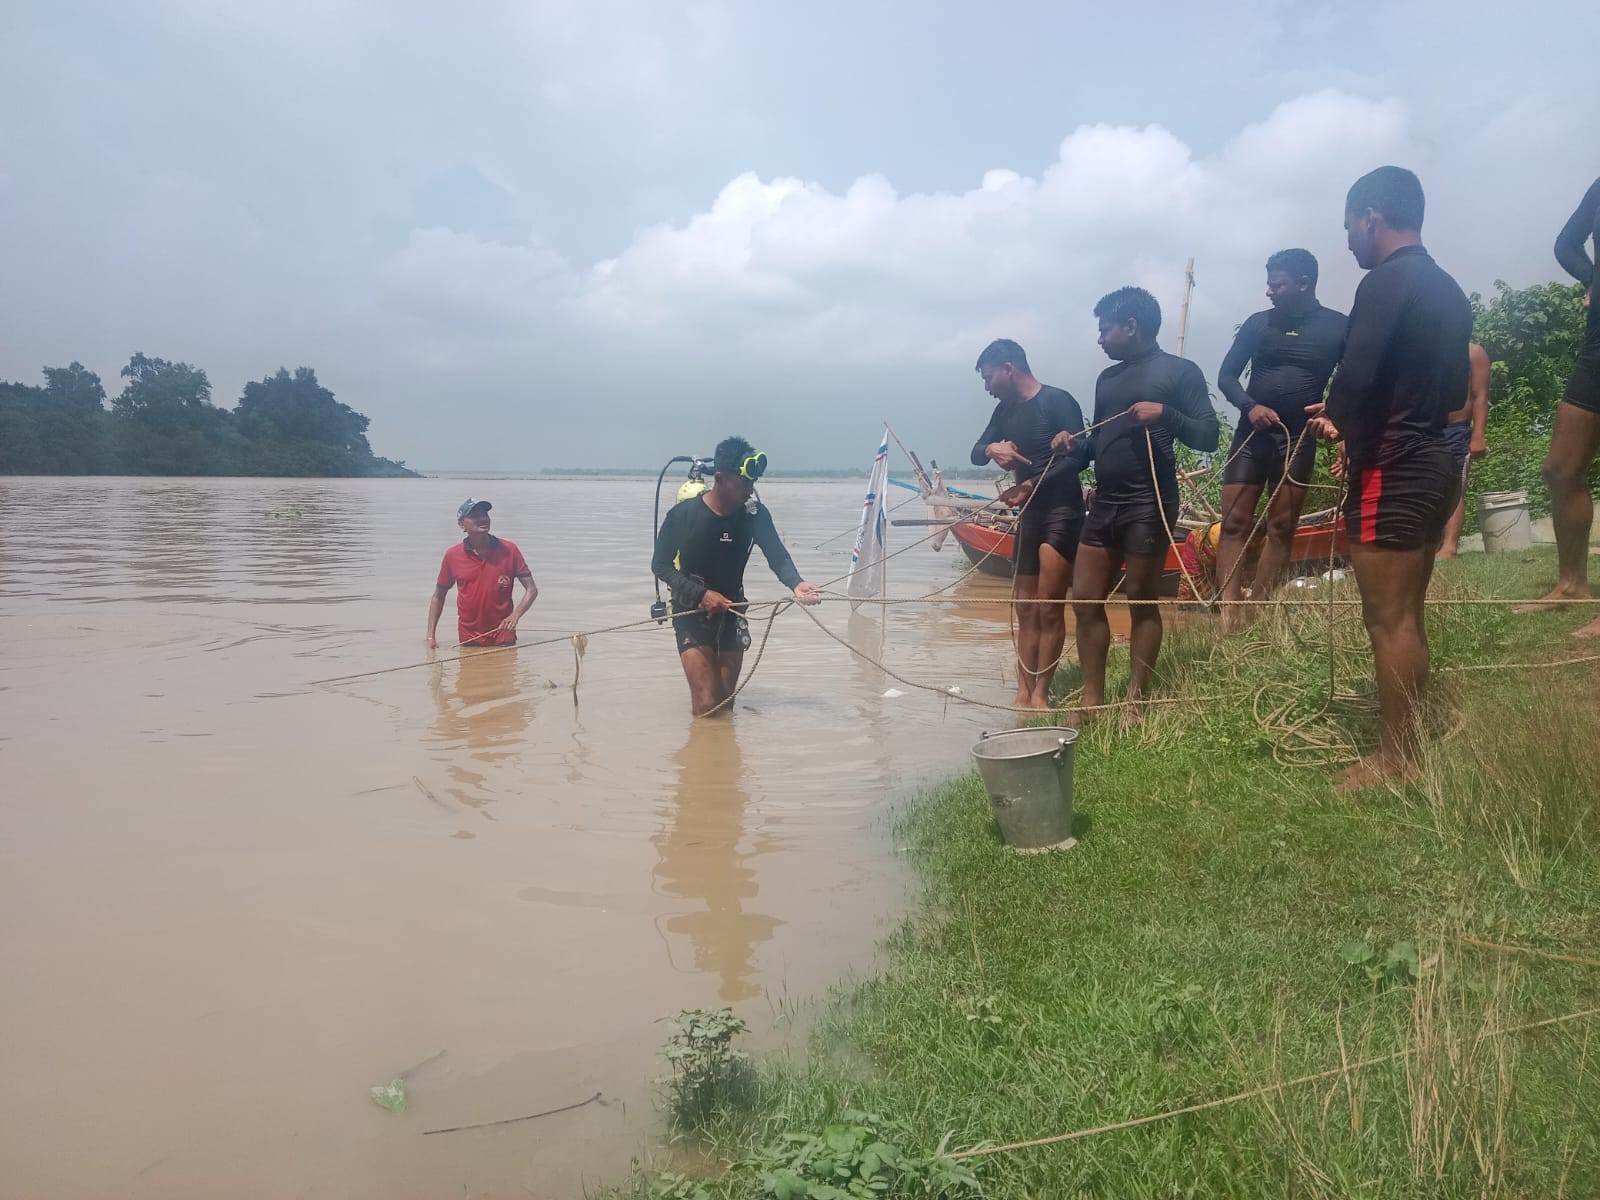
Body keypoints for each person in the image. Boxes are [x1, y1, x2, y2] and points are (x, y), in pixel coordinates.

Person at [1305, 166, 1473, 789]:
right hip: (1434, 461)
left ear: (1371, 216)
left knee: (1389, 619)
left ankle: (1396, 758)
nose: (1347, 240)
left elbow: (1359, 369)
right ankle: (1408, 742)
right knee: (1409, 613)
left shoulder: (1384, 281)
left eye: (1348, 226)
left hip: (1394, 468)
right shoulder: (1449, 289)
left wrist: (1339, 420)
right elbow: (1455, 389)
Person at [1060, 286, 1219, 720]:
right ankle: (1093, 700)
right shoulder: (1106, 379)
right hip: (1106, 500)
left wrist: (1164, 414)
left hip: (1150, 502)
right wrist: (1071, 448)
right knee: (1086, 598)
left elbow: (1208, 435)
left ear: (1131, 327)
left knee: (1141, 599)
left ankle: (1136, 698)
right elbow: (1098, 443)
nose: (1099, 340)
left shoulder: (1180, 372)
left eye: (1103, 329)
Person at [1214, 250, 1348, 632]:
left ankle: (1258, 610)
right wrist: (1249, 406)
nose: (1269, 291)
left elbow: (1356, 377)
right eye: (1269, 284)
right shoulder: (1258, 324)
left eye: (1278, 284)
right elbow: (1226, 376)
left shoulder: (1338, 327)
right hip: (1252, 434)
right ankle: (1228, 613)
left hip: (1299, 437)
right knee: (1235, 522)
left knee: (1282, 526)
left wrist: (1333, 412)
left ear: (1304, 283)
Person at [652, 436, 821, 716]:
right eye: (744, 482)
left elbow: (777, 555)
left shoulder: (754, 514)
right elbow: (660, 565)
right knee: (706, 705)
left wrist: (797, 583)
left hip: (733, 611)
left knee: (725, 704)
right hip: (691, 612)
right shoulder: (683, 516)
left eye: (753, 483)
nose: (750, 489)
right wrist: (701, 595)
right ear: (720, 478)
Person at [968, 339, 1087, 708]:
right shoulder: (1004, 411)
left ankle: (1041, 693)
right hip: (1029, 516)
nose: (987, 387)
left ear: (1009, 368)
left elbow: (1080, 458)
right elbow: (975, 453)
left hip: (1062, 512)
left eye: (989, 378)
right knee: (1023, 606)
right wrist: (993, 449)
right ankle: (1022, 690)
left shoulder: (1057, 401)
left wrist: (1031, 484)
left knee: (1049, 606)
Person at [1517, 175, 1600, 633]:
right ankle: (1572, 585)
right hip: (1597, 341)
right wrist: (1594, 278)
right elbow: (1566, 244)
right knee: (1561, 467)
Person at [426, 498, 538, 649]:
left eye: (485, 514)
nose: (482, 518)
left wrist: (516, 615)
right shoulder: (453, 555)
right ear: (461, 524)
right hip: (469, 638)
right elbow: (438, 597)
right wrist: (431, 636)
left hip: (503, 635)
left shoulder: (509, 550)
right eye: (475, 516)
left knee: (507, 672)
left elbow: (531, 590)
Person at [1437, 342, 1491, 559]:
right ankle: (1431, 542)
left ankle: (1450, 546)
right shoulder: (1423, 348)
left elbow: (1480, 395)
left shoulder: (1473, 352)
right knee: (1426, 488)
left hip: (1456, 428)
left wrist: (1478, 435)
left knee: (1454, 487)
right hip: (1424, 428)